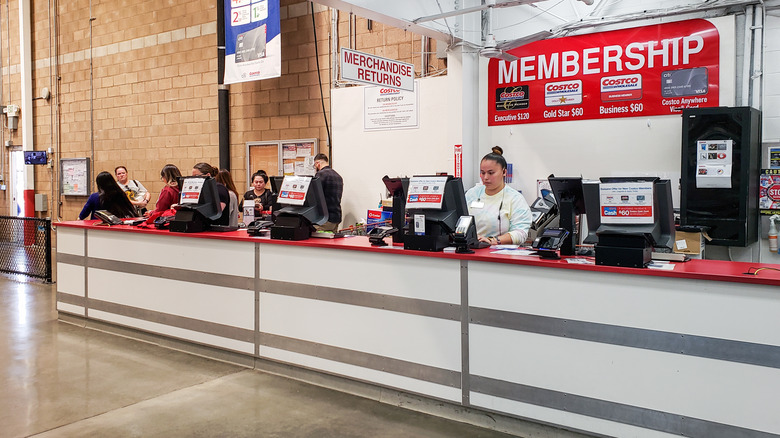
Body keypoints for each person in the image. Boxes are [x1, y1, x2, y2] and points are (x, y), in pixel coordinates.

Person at [465, 149, 532, 246]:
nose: (485, 177)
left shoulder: (515, 198)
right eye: (483, 173)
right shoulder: (472, 194)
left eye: (491, 173)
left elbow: (520, 233)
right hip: (472, 250)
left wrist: (492, 240)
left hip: (501, 254)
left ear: (504, 172)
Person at [313, 153, 343, 232]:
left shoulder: (321, 174)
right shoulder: (338, 176)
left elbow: (313, 196)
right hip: (336, 217)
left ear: (317, 164)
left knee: (315, 240)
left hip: (324, 219)